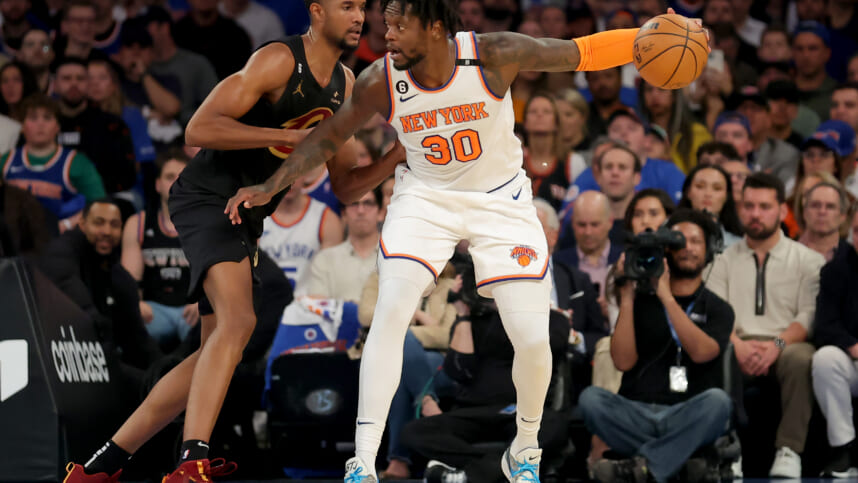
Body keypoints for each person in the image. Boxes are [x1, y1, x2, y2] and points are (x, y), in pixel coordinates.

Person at [225, 1, 692, 480]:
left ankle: (524, 449)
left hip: (500, 201)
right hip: (425, 199)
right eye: (387, 24)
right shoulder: (379, 80)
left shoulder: (493, 54)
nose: (387, 35)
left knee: (533, 338)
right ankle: (363, 461)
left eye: (399, 25)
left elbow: (582, 52)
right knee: (389, 314)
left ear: (434, 28)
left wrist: (659, 31)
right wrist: (271, 185)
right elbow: (327, 138)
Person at [61, 1, 403, 482]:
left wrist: (396, 157)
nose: (359, 16)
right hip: (208, 197)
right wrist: (285, 139)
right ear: (316, 11)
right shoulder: (279, 60)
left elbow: (346, 186)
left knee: (212, 353)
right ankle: (191, 461)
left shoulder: (344, 84)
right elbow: (199, 128)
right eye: (346, 5)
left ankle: (100, 467)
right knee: (239, 321)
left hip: (246, 214)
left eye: (362, 7)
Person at [580, 209, 734, 483]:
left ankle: (642, 467)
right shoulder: (640, 301)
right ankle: (676, 461)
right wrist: (627, 297)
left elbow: (702, 353)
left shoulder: (718, 308)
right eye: (680, 242)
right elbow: (622, 361)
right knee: (591, 400)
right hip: (636, 410)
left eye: (696, 241)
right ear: (667, 251)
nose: (688, 248)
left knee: (718, 403)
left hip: (687, 413)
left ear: (709, 250)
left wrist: (666, 297)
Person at [708, 172, 824, 478]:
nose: (755, 214)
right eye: (748, 206)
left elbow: (809, 314)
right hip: (737, 342)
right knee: (719, 353)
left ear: (782, 211)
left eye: (764, 206)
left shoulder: (808, 260)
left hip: (787, 344)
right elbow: (716, 312)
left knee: (802, 358)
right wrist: (737, 344)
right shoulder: (721, 261)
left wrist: (777, 345)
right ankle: (728, 449)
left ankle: (789, 450)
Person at [120, 150, 197, 348]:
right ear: (158, 184)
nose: (177, 183)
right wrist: (136, 304)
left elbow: (217, 277)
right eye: (170, 177)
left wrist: (205, 303)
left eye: (183, 177)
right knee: (130, 327)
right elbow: (130, 282)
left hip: (194, 309)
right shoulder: (138, 224)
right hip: (154, 311)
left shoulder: (205, 225)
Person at [812, 208, 858, 478]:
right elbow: (824, 325)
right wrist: (853, 347)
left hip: (782, 341)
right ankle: (843, 448)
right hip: (851, 358)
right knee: (824, 358)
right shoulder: (836, 270)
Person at [678, 164, 743, 247]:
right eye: (700, 186)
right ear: (688, 192)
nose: (708, 194)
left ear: (727, 196)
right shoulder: (668, 232)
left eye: (717, 188)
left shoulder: (738, 245)